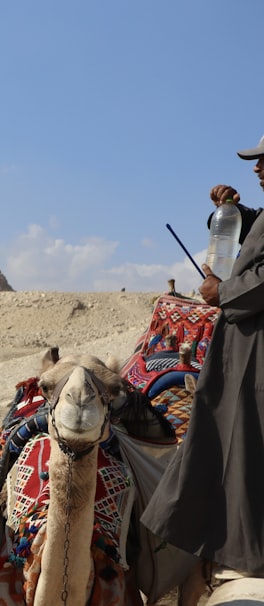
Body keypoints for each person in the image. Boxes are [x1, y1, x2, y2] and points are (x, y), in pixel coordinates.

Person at [141, 133, 264, 576]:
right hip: (242, 343)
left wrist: (222, 291)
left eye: (262, 161)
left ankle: (248, 550)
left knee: (248, 440)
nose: (256, 168)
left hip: (257, 349)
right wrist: (234, 211)